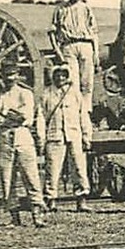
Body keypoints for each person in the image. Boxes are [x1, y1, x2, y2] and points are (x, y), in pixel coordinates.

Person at [0, 59, 44, 225]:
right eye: (6, 75)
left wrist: (6, 116)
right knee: (7, 179)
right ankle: (14, 217)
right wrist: (9, 117)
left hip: (22, 137)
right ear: (2, 76)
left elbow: (25, 117)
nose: (9, 78)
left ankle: (37, 214)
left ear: (17, 76)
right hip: (5, 138)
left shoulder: (25, 93)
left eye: (12, 75)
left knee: (31, 176)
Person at [37, 63, 93, 212]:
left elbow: (83, 116)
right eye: (57, 75)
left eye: (63, 74)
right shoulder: (46, 94)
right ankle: (51, 200)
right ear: (53, 77)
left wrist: (87, 137)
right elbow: (41, 118)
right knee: (53, 170)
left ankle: (81, 200)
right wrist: (41, 139)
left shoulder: (74, 93)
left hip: (74, 135)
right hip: (55, 136)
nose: (60, 77)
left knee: (79, 168)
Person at [50, 0, 99, 99]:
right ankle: (75, 113)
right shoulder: (61, 9)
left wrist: (96, 53)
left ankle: (86, 113)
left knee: (87, 84)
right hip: (68, 47)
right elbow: (52, 32)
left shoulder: (86, 8)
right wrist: (58, 52)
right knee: (72, 83)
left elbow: (94, 32)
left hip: (86, 46)